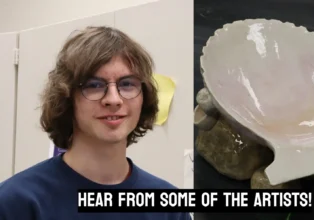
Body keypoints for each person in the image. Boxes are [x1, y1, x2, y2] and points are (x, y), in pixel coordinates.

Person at [0, 26, 191, 220]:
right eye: (94, 85)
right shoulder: (17, 203)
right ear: (67, 98)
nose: (114, 99)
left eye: (127, 84)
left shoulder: (169, 209)